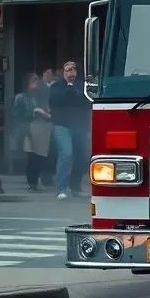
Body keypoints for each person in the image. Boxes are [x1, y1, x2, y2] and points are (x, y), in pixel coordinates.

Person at [48, 61, 89, 199]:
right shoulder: (56, 86)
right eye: (68, 70)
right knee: (66, 153)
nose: (71, 72)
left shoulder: (82, 86)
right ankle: (62, 189)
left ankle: (76, 187)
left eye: (73, 69)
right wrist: (69, 88)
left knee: (81, 155)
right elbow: (57, 101)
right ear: (63, 72)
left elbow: (86, 101)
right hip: (62, 125)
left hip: (79, 125)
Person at [13, 73, 52, 191]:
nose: (36, 85)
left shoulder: (35, 97)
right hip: (28, 129)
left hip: (39, 129)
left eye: (36, 82)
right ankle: (32, 181)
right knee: (32, 157)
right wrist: (33, 112)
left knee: (39, 156)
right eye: (33, 82)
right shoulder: (21, 97)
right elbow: (17, 115)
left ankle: (37, 180)